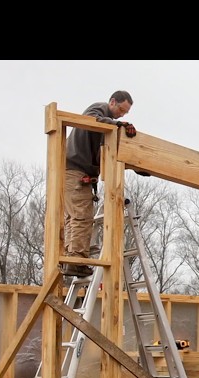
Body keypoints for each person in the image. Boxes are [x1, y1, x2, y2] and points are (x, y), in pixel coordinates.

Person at [61, 90, 137, 277]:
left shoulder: (106, 127)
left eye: (125, 113)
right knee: (81, 216)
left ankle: (72, 257)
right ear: (112, 102)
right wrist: (118, 124)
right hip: (75, 171)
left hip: (74, 172)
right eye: (120, 109)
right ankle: (76, 261)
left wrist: (138, 167)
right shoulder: (99, 109)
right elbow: (91, 119)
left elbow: (114, 152)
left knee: (73, 217)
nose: (121, 114)